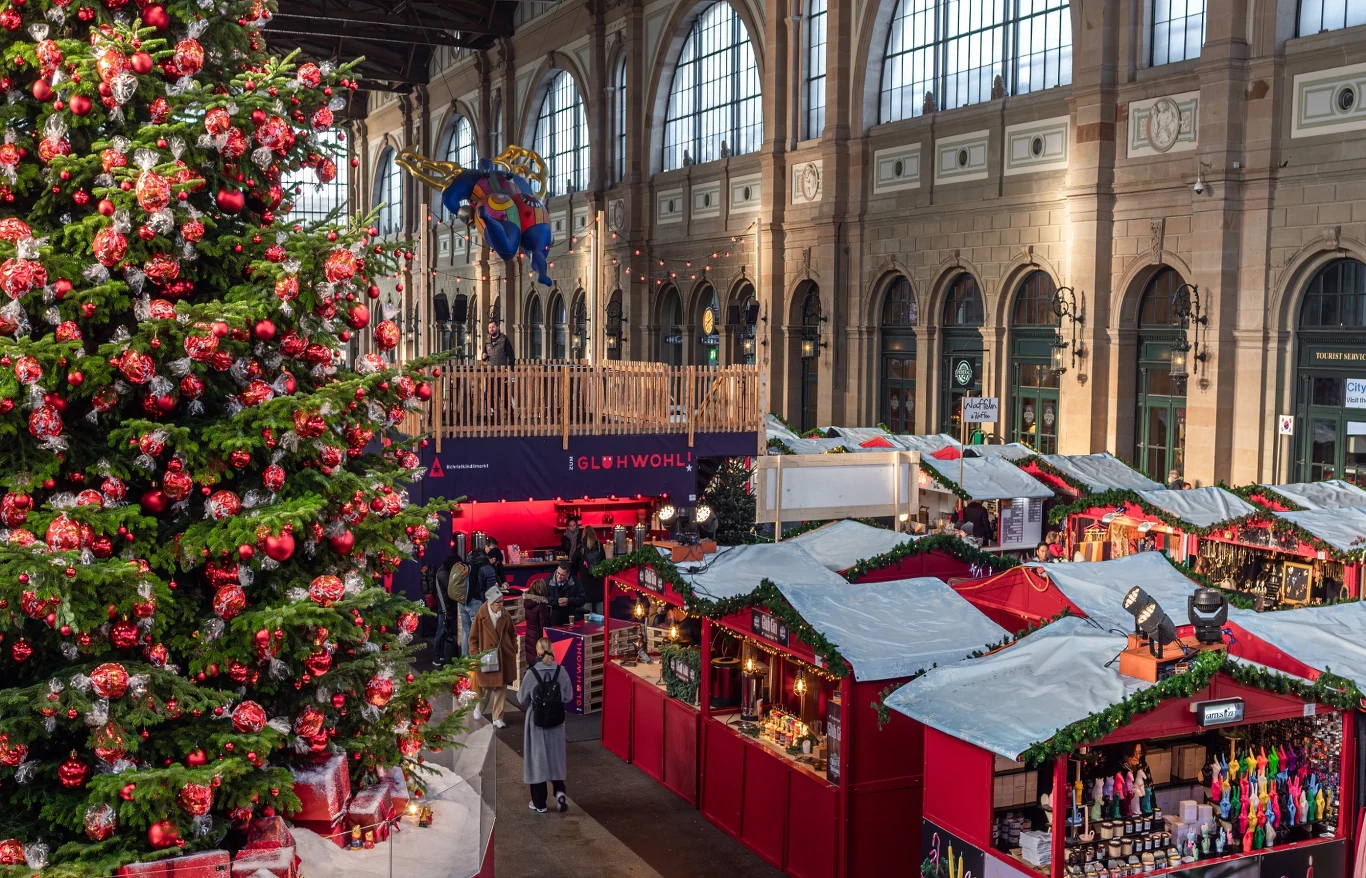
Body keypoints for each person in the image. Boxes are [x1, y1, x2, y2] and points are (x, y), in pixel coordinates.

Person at [518, 637, 574, 813]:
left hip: (537, 723)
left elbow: (521, 698)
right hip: (556, 722)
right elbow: (568, 696)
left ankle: (539, 803)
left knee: (538, 760)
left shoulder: (532, 673)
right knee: (555, 759)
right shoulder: (561, 671)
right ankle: (559, 793)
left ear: (538, 652)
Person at [469, 587, 517, 728]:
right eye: (498, 602)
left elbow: (512, 633)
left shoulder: (505, 615)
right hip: (487, 657)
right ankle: (479, 707)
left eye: (502, 602)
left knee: (501, 688)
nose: (501, 605)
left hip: (504, 656)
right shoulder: (481, 616)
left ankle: (497, 717)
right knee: (486, 687)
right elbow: (473, 638)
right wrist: (475, 655)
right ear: (490, 603)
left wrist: (514, 648)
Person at [459, 548, 498, 657]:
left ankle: (464, 662)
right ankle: (475, 664)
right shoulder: (488, 569)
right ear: (494, 559)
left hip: (463, 601)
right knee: (478, 633)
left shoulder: (469, 564)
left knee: (466, 632)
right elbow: (491, 593)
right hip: (475, 603)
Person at [522, 578, 553, 671]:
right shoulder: (542, 604)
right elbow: (544, 624)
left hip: (529, 633)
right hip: (538, 636)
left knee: (531, 657)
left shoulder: (527, 602)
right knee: (539, 659)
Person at [548, 560, 585, 626]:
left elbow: (582, 599)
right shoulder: (548, 581)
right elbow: (543, 599)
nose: (559, 577)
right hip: (553, 621)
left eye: (562, 575)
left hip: (570, 621)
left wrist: (569, 601)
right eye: (558, 573)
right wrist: (556, 601)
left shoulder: (575, 582)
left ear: (568, 574)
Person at [580, 527, 605, 615]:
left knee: (587, 614)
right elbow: (603, 561)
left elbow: (573, 558)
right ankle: (602, 628)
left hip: (587, 585)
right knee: (600, 615)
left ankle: (588, 628)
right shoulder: (599, 545)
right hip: (598, 583)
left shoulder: (582, 547)